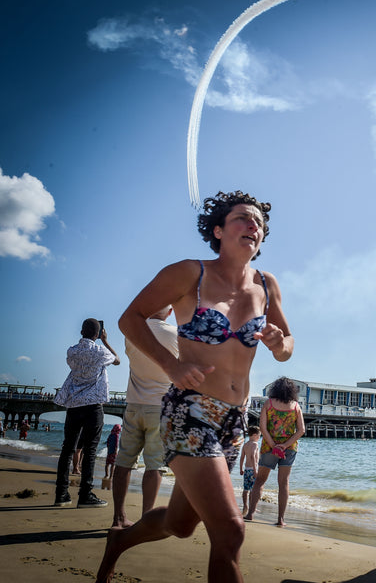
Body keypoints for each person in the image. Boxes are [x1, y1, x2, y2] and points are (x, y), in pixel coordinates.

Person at [96, 190, 293, 583]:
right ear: (218, 230)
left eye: (259, 222)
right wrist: (171, 364)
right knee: (230, 530)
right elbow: (129, 318)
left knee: (181, 523)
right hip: (189, 411)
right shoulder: (190, 273)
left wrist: (276, 342)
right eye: (242, 218)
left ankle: (119, 541)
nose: (253, 225)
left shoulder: (267, 285)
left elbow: (287, 347)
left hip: (233, 420)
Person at [111, 306, 179, 528]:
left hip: (133, 404)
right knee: (154, 465)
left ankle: (118, 517)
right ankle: (146, 519)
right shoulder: (176, 335)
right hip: (160, 406)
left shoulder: (132, 332)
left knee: (124, 462)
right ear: (170, 313)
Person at [53, 318, 121, 508]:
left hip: (74, 405)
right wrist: (105, 341)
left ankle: (61, 494)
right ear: (98, 334)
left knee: (68, 448)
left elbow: (74, 367)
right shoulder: (100, 351)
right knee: (90, 449)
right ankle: (85, 495)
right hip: (92, 405)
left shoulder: (72, 351)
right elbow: (117, 360)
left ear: (81, 331)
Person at [245, 377, 305, 526]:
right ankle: (281, 519)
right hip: (289, 449)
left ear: (275, 389)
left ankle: (251, 513)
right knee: (284, 483)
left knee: (260, 481)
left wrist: (274, 445)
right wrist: (284, 445)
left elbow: (263, 428)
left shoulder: (268, 404)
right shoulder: (296, 406)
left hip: (269, 448)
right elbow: (301, 430)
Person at [239, 426, 260, 516]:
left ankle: (245, 506)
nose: (259, 437)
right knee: (253, 490)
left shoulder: (246, 444)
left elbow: (242, 457)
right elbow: (253, 456)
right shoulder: (255, 444)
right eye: (259, 436)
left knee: (245, 489)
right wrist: (255, 471)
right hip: (252, 469)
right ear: (255, 435)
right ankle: (252, 507)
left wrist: (241, 469)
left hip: (246, 469)